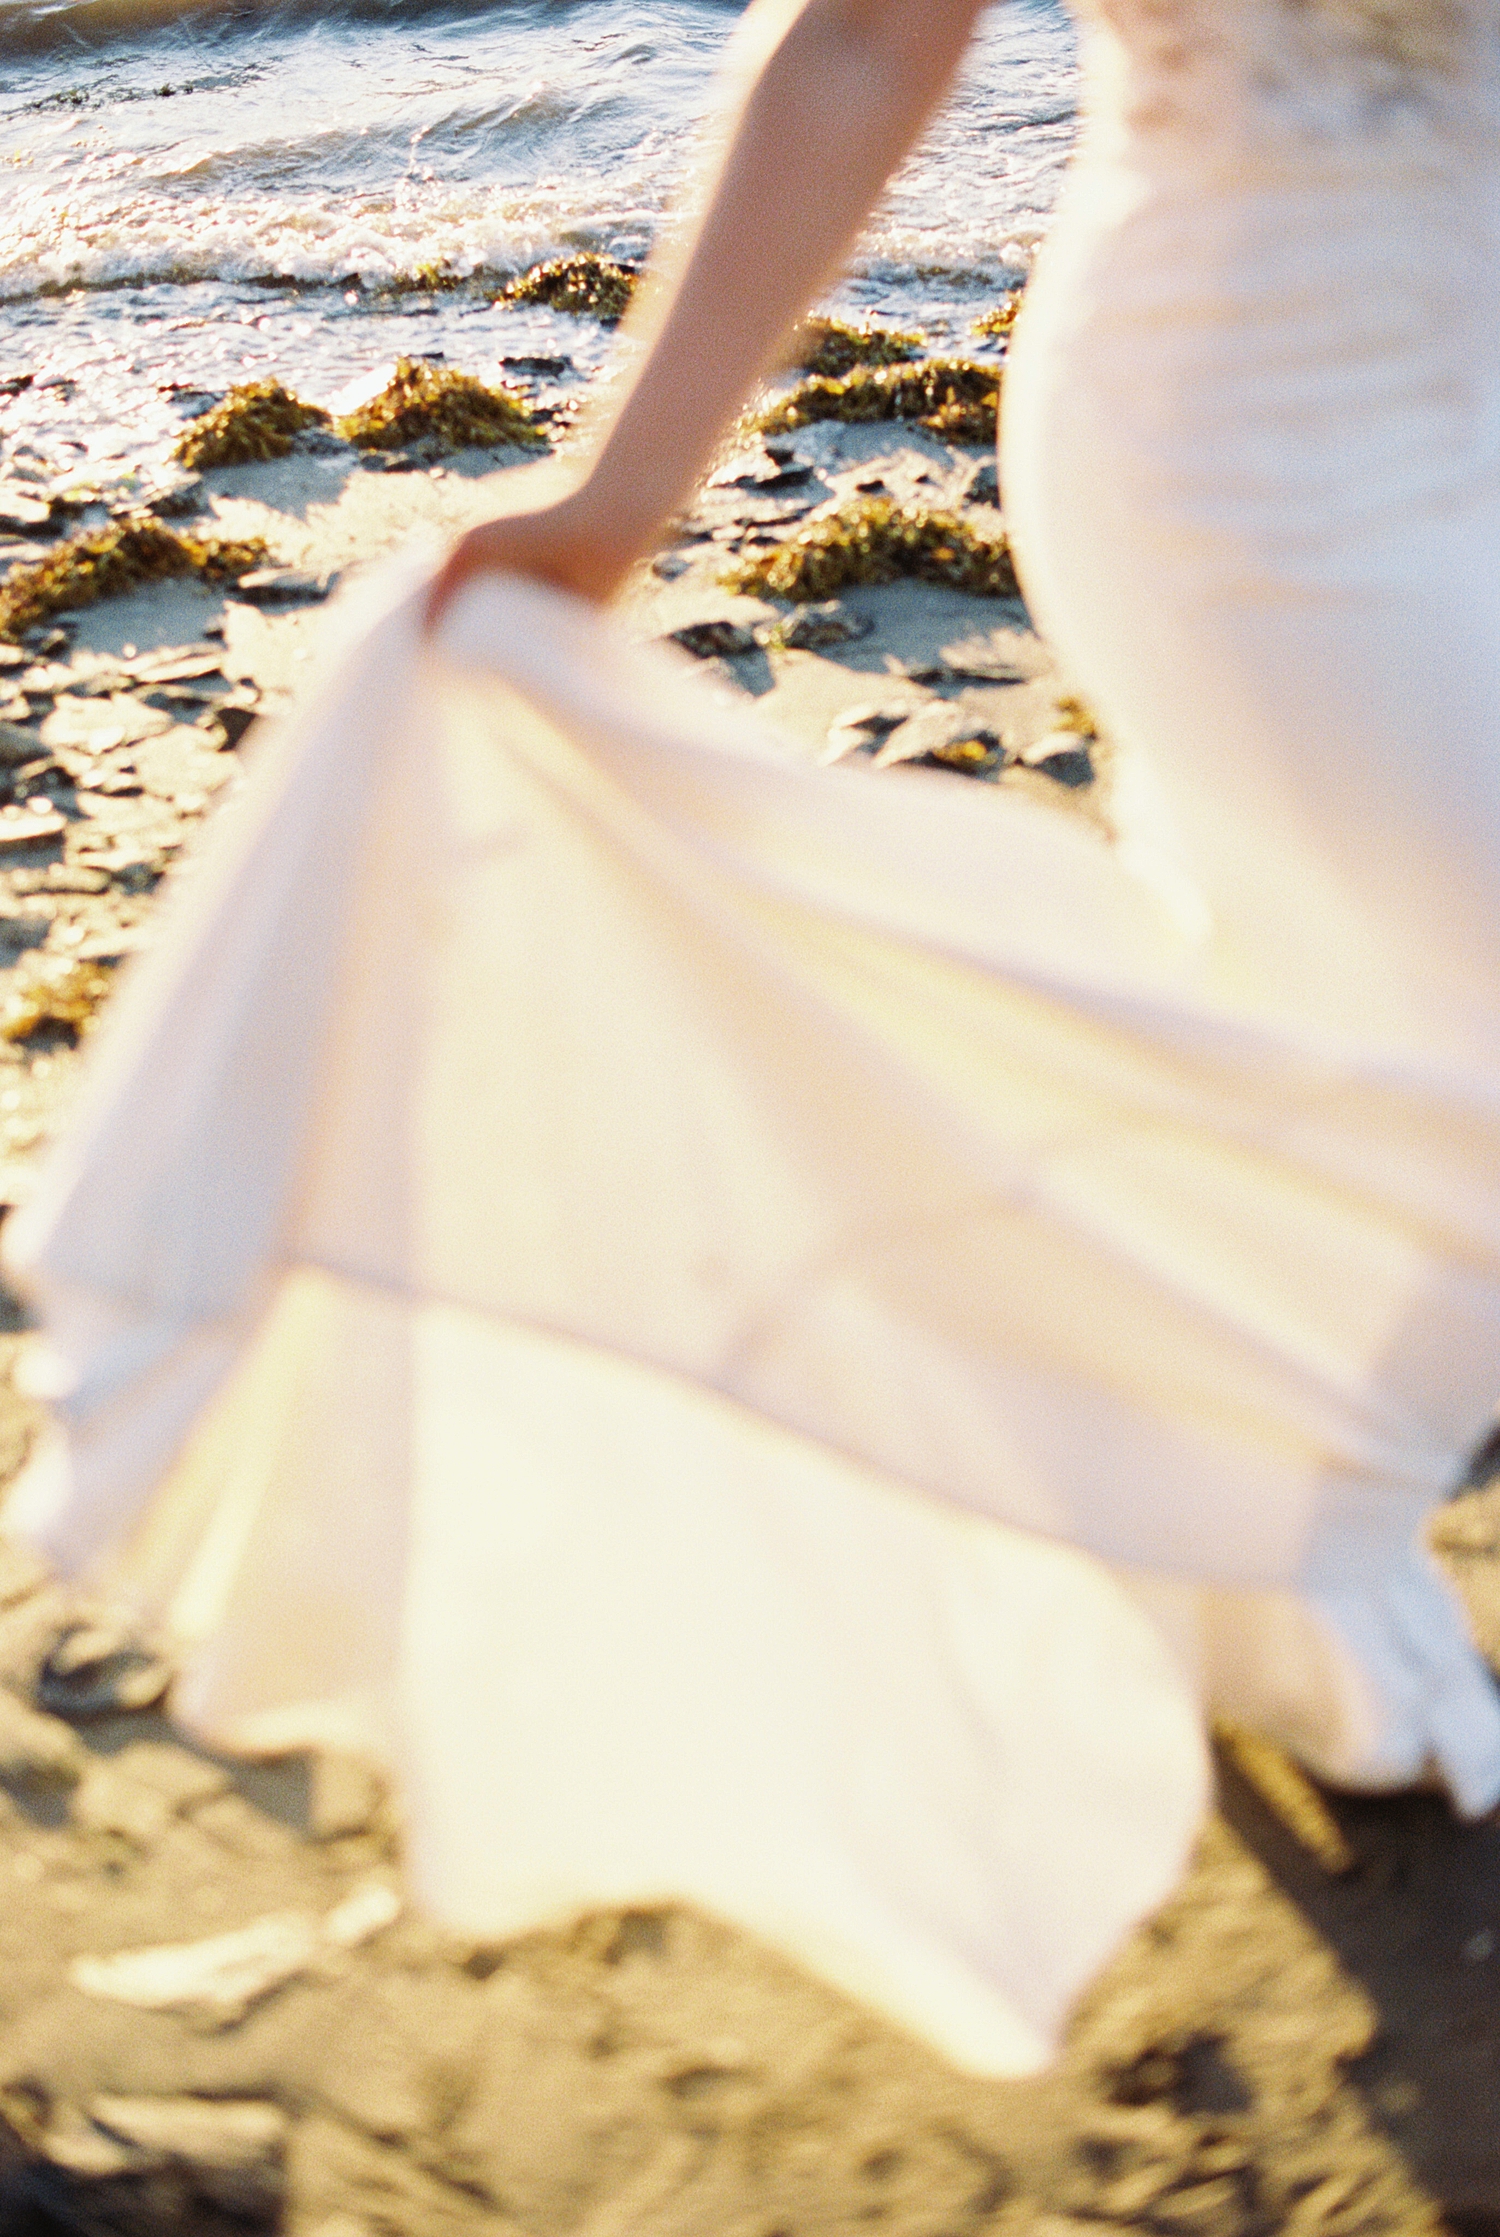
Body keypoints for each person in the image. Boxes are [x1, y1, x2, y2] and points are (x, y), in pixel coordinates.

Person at [7, 0, 1500, 2080]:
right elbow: (867, 40)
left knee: (1342, 1004)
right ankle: (1194, 1483)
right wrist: (622, 496)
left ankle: (1248, 1517)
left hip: (1475, 412)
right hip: (1260, 443)